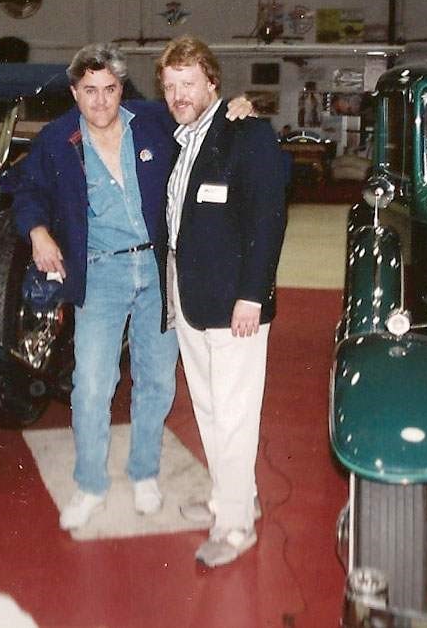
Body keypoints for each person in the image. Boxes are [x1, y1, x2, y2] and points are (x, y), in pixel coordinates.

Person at [12, 43, 180, 530]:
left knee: (156, 378)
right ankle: (89, 484)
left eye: (109, 90)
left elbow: (202, 123)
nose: (101, 101)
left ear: (121, 89)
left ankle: (144, 472)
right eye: (90, 91)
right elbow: (27, 193)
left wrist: (237, 108)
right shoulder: (56, 138)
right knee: (90, 385)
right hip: (100, 273)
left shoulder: (151, 122)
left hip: (156, 269)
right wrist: (39, 233)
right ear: (74, 92)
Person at [156, 35, 288, 567]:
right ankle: (232, 498)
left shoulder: (247, 134)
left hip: (237, 304)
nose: (178, 94)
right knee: (210, 409)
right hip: (190, 297)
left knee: (234, 414)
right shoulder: (181, 138)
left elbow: (268, 219)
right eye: (169, 86)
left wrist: (252, 296)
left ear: (213, 82)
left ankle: (234, 528)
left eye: (189, 83)